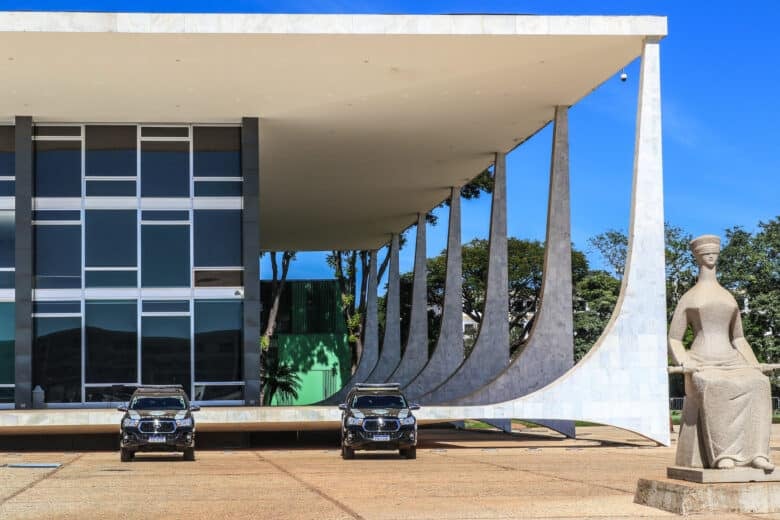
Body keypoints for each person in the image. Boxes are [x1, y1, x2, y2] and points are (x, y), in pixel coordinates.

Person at [668, 234, 773, 470]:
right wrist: (685, 362)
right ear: (698, 257)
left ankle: (757, 453)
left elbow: (739, 337)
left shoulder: (728, 297)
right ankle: (724, 454)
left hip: (732, 360)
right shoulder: (689, 298)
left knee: (759, 383)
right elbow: (674, 339)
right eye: (705, 253)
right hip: (702, 363)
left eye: (714, 252)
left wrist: (755, 364)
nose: (711, 256)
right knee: (715, 386)